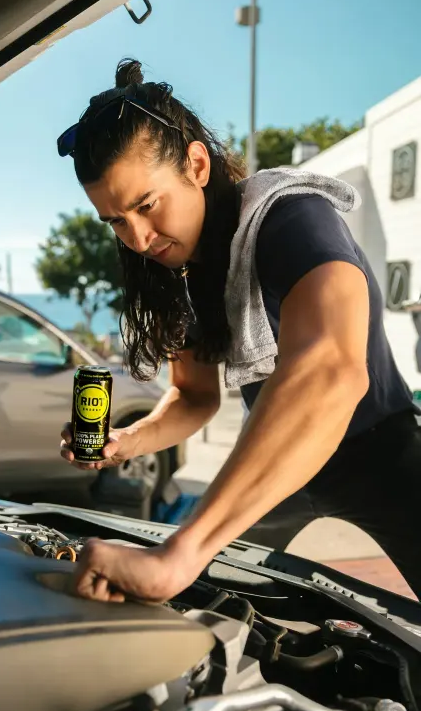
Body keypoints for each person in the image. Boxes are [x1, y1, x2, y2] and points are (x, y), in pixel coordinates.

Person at [59, 58, 421, 603]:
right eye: (114, 220)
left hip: (379, 454)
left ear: (197, 165)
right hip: (271, 464)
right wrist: (125, 441)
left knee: (184, 561)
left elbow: (331, 370)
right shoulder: (182, 269)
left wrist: (179, 555)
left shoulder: (291, 216)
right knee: (200, 609)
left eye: (146, 205)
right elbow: (194, 395)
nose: (135, 238)